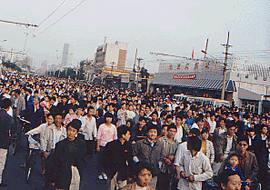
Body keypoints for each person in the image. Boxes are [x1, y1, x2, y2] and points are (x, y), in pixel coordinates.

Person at [52, 119, 86, 190]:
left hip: (75, 171)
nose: (71, 133)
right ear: (66, 130)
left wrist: (80, 172)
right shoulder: (60, 145)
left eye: (73, 131)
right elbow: (56, 163)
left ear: (76, 132)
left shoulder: (81, 144)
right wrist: (53, 179)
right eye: (69, 130)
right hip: (62, 173)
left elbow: (82, 159)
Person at [101, 125, 134, 190]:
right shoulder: (111, 145)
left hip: (123, 172)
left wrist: (131, 174)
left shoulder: (128, 145)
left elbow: (130, 160)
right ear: (123, 135)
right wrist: (107, 171)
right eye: (128, 134)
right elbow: (103, 159)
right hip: (112, 172)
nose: (129, 136)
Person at [41, 113, 67, 190]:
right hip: (51, 151)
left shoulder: (64, 130)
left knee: (58, 171)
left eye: (59, 118)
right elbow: (44, 139)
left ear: (62, 120)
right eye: (56, 118)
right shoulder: (49, 129)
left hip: (60, 153)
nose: (57, 120)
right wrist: (44, 150)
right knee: (49, 171)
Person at [133, 124, 164, 188]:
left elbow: (161, 157)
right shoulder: (140, 143)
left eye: (155, 132)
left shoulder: (160, 144)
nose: (153, 134)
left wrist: (159, 165)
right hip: (141, 173)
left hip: (154, 172)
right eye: (151, 132)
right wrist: (139, 163)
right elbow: (134, 154)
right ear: (147, 133)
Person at [96, 112, 118, 180]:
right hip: (102, 145)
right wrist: (97, 146)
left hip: (111, 146)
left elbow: (115, 138)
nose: (108, 119)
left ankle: (106, 172)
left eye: (110, 118)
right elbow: (98, 137)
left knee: (108, 160)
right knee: (101, 160)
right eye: (107, 117)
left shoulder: (113, 127)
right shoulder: (102, 126)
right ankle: (100, 173)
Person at [157, 124, 179, 190]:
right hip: (161, 167)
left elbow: (177, 155)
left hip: (170, 168)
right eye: (171, 131)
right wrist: (164, 159)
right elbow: (157, 153)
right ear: (167, 131)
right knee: (160, 185)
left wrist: (173, 157)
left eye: (174, 131)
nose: (172, 133)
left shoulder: (176, 142)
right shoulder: (161, 140)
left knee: (168, 185)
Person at [0, 99, 12, 187]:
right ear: (8, 107)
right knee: (1, 163)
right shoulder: (8, 118)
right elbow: (10, 131)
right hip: (3, 143)